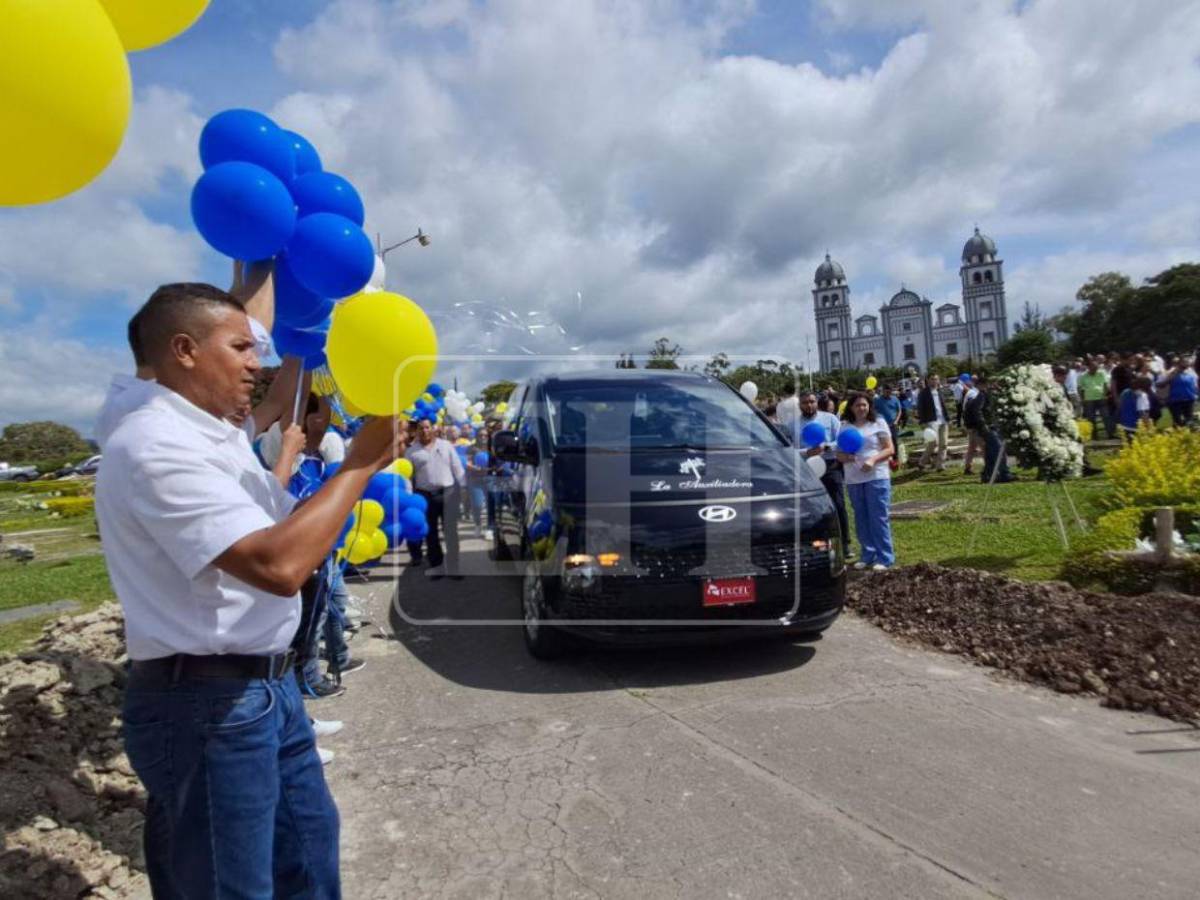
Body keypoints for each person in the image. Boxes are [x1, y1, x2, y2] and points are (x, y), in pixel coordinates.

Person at [97, 282, 403, 897]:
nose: (255, 362)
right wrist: (358, 467)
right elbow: (278, 563)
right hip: (206, 705)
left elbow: (292, 527)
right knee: (231, 886)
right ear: (184, 350)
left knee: (309, 863)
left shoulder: (219, 440)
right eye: (239, 347)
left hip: (265, 690)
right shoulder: (153, 443)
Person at [838, 392, 895, 570]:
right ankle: (867, 553)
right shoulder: (845, 427)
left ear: (869, 406)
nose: (861, 408)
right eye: (857, 405)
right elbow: (839, 454)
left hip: (876, 476)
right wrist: (846, 457)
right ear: (851, 408)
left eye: (864, 405)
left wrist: (873, 460)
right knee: (861, 517)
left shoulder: (878, 423)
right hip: (854, 479)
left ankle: (885, 557)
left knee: (878, 516)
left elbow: (889, 449)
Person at [406, 418, 466, 579]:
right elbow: (407, 477)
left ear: (433, 428)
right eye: (421, 428)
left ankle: (454, 568)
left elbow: (457, 468)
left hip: (447, 493)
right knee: (430, 534)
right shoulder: (411, 451)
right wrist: (409, 496)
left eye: (427, 427)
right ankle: (437, 567)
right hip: (424, 495)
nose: (424, 431)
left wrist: (464, 487)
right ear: (417, 431)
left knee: (451, 533)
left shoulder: (445, 446)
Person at [795, 391, 851, 559]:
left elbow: (841, 440)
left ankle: (845, 544)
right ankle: (818, 545)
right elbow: (789, 448)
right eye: (805, 402)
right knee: (812, 508)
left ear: (817, 402)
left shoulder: (830, 418)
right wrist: (807, 452)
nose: (809, 405)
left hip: (830, 465)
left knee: (838, 504)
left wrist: (826, 447)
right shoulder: (793, 424)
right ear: (799, 405)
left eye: (812, 401)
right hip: (806, 468)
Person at [963, 374, 1014, 483]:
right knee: (998, 449)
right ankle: (1004, 473)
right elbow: (977, 411)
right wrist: (984, 426)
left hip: (991, 426)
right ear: (983, 385)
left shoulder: (988, 394)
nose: (994, 385)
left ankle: (988, 475)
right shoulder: (982, 395)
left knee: (991, 452)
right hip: (987, 428)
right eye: (991, 383)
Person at [916, 373, 949, 471]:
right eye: (932, 379)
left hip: (943, 421)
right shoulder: (923, 393)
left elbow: (943, 405)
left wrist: (947, 418)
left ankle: (940, 465)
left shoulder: (940, 391)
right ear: (928, 380)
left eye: (936, 379)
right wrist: (923, 422)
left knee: (944, 444)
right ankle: (922, 462)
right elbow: (920, 408)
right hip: (931, 421)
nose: (934, 381)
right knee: (933, 443)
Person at [1077, 357, 1110, 440]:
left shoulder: (1101, 373)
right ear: (1089, 367)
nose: (1095, 370)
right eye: (1093, 368)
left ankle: (1110, 434)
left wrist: (1105, 395)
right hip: (1089, 399)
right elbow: (1079, 388)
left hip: (1101, 397)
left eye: (1096, 368)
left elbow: (1106, 384)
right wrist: (1082, 399)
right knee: (1091, 418)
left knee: (1106, 416)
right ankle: (1094, 436)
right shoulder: (1083, 376)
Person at [1161, 355, 1197, 426]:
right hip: (1175, 401)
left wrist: (1195, 394)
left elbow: (1195, 384)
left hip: (1189, 399)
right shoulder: (1171, 372)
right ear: (1179, 363)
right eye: (1185, 362)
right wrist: (1172, 376)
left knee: (1189, 421)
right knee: (1178, 421)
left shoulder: (1191, 372)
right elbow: (1160, 384)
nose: (1187, 363)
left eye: (1187, 362)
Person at [1117, 375, 1153, 441]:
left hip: (1124, 427)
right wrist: (1148, 428)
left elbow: (1120, 407)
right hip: (1136, 428)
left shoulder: (1125, 392)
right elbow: (1143, 413)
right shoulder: (1142, 396)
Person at [961, 376, 984, 476]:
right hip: (974, 425)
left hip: (971, 424)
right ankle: (989, 466)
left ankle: (967, 467)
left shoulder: (973, 393)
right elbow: (971, 411)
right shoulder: (973, 394)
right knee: (983, 446)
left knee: (972, 447)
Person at [873, 383, 901, 459]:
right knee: (884, 442)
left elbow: (899, 410)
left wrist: (896, 421)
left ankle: (895, 458)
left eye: (890, 392)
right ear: (883, 391)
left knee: (894, 440)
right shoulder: (877, 400)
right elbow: (873, 410)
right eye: (886, 392)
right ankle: (886, 458)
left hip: (893, 424)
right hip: (882, 425)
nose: (888, 393)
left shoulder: (895, 399)